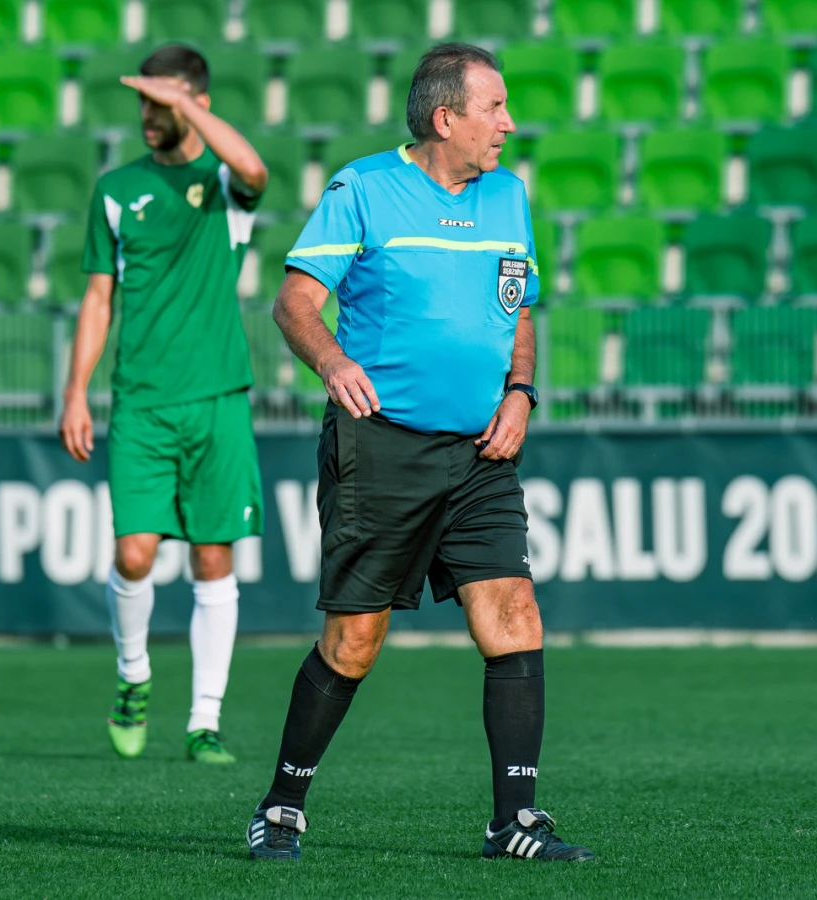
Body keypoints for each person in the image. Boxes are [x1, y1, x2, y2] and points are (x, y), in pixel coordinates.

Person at [246, 43, 593, 862]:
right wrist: (333, 362)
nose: (509, 124)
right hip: (381, 448)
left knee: (514, 615)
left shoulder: (509, 195)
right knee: (354, 641)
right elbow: (294, 302)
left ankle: (514, 822)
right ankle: (282, 805)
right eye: (495, 108)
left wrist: (521, 392)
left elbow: (519, 310)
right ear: (446, 118)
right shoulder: (363, 188)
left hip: (480, 454)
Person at [59, 44, 268, 765]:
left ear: (196, 104)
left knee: (213, 558)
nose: (149, 115)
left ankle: (205, 720)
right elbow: (98, 299)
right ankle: (132, 675)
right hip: (142, 403)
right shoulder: (116, 189)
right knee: (134, 551)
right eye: (144, 102)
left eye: (163, 102)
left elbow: (255, 170)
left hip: (217, 398)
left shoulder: (223, 183)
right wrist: (76, 391)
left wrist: (188, 108)